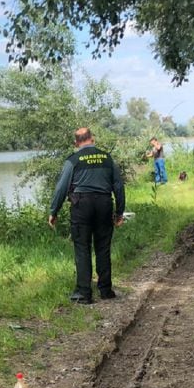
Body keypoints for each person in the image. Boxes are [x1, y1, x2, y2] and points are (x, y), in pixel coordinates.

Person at [48, 128, 126, 304]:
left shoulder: (73, 160)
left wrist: (54, 211)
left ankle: (84, 293)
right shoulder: (107, 158)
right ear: (92, 139)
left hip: (81, 205)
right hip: (104, 204)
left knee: (82, 248)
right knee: (103, 247)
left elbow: (61, 188)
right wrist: (119, 211)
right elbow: (118, 186)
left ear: (76, 143)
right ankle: (105, 290)